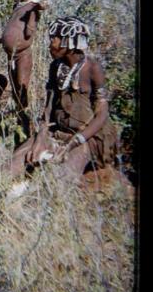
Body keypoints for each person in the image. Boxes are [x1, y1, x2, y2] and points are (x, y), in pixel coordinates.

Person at [8, 16, 119, 181]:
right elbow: (49, 107)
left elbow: (101, 115)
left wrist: (73, 143)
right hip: (57, 133)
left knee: (57, 180)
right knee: (10, 167)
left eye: (55, 38)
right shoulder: (56, 67)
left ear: (70, 42)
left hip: (86, 138)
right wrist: (40, 138)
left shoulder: (92, 68)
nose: (50, 43)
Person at [1, 0, 48, 142]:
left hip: (22, 56)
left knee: (22, 89)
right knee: (15, 90)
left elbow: (28, 34)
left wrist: (34, 14)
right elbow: (15, 30)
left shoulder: (32, 7)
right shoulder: (19, 6)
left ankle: (26, 129)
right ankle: (19, 123)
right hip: (11, 56)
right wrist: (1, 38)